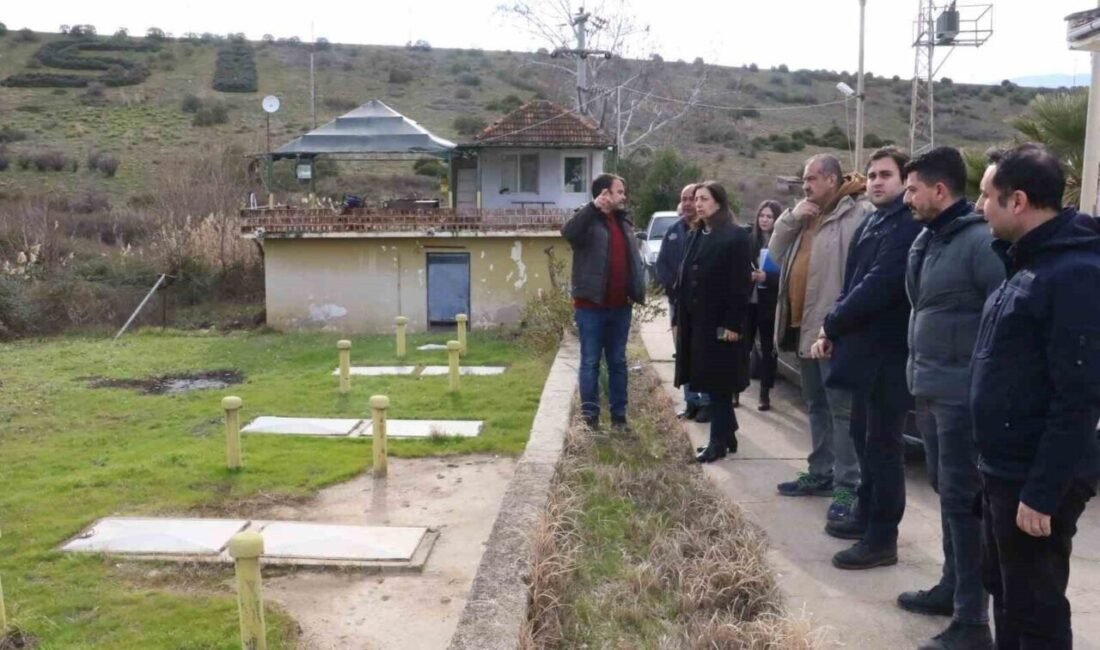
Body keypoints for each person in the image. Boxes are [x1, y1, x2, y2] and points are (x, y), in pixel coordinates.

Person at [971, 144, 1100, 648]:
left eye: (986, 195)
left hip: (1034, 478)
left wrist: (1042, 491)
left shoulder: (1074, 273)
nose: (979, 206)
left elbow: (1079, 396)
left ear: (1017, 200)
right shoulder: (1025, 262)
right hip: (1003, 468)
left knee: (1037, 611)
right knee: (1006, 593)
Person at [892, 147, 1003, 650]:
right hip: (930, 389)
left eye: (913, 188)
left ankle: (972, 621)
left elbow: (1002, 320)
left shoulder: (979, 242)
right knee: (947, 495)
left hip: (962, 396)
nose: (906, 196)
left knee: (965, 504)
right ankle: (952, 588)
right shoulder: (928, 239)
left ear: (941, 190)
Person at [812, 146, 922, 569]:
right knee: (862, 437)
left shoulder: (905, 225)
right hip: (865, 354)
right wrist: (833, 325)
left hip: (890, 355)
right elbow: (852, 279)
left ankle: (882, 537)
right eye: (872, 175)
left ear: (903, 181)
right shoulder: (875, 221)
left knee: (883, 448)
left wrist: (833, 323)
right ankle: (863, 515)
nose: (876, 181)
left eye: (886, 175)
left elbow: (880, 285)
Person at [770, 154, 871, 523]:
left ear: (831, 179)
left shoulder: (858, 214)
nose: (806, 185)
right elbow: (776, 254)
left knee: (842, 411)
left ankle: (847, 484)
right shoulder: (807, 215)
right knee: (814, 404)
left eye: (811, 178)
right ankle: (821, 472)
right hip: (803, 327)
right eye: (804, 179)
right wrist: (793, 216)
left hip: (835, 331)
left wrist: (840, 325)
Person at [674, 181, 754, 463]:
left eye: (704, 199)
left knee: (718, 384)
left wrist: (733, 324)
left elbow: (740, 285)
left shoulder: (735, 237)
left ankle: (717, 444)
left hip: (721, 324)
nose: (698, 204)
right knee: (708, 381)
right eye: (696, 199)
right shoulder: (698, 233)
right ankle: (728, 433)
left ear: (719, 202)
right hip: (698, 322)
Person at [561, 173, 646, 431]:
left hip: (621, 307)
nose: (624, 196)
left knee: (618, 362)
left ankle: (619, 418)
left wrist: (635, 290)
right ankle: (590, 419)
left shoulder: (624, 221)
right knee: (590, 361)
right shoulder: (586, 220)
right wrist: (592, 208)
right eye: (619, 192)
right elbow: (568, 233)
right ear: (605, 194)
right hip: (591, 307)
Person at [656, 183, 711, 423]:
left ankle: (707, 403)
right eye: (684, 198)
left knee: (702, 354)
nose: (688, 203)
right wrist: (674, 289)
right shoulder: (673, 231)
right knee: (683, 354)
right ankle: (691, 402)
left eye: (692, 198)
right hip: (679, 304)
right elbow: (662, 265)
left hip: (703, 305)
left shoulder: (709, 232)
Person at [745, 200, 782, 411]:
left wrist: (767, 277)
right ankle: (736, 391)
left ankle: (765, 394)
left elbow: (786, 277)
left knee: (768, 350)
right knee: (743, 347)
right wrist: (747, 275)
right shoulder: (749, 240)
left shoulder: (781, 242)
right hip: (749, 302)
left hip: (768, 304)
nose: (765, 220)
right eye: (762, 216)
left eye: (769, 216)